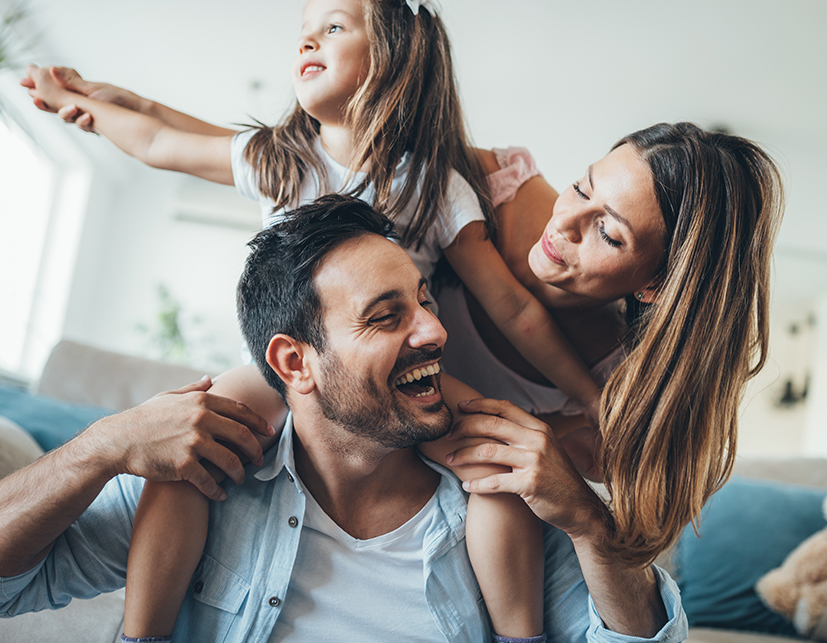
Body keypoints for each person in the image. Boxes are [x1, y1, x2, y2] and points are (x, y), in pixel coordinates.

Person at [20, 0, 599, 638]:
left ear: (394, 60)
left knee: (496, 465)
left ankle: (520, 634)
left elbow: (511, 305)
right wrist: (89, 105)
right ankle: (142, 634)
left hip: (394, 381)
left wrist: (591, 396)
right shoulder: (280, 158)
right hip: (280, 371)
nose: (307, 41)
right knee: (191, 454)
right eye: (303, 32)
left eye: (333, 27)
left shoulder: (435, 184)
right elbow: (159, 140)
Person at [0, 195, 688, 643]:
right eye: (386, 317)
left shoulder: (505, 496)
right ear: (293, 362)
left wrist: (591, 524)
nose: (435, 332)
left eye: (425, 302)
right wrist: (100, 446)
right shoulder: (205, 478)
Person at [436, 122, 785, 567]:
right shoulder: (495, 183)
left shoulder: (616, 384)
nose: (563, 224)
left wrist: (577, 487)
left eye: (609, 234)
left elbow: (633, 537)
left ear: (654, 285)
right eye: (582, 188)